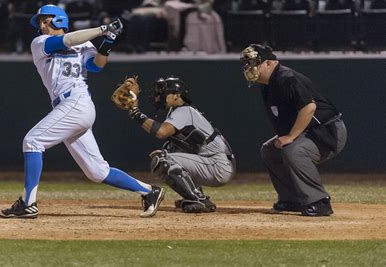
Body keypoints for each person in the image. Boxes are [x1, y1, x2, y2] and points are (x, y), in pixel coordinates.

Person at [0, 4, 165, 219]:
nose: (41, 25)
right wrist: (104, 29)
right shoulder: (39, 43)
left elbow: (97, 65)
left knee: (32, 142)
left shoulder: (85, 43)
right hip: (66, 108)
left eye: (45, 19)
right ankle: (149, 191)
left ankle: (27, 203)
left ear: (59, 19)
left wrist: (109, 41)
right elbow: (67, 41)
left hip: (76, 104)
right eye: (40, 22)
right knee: (97, 171)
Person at [239, 44, 347, 216]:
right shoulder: (269, 84)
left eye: (254, 63)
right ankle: (292, 199)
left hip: (328, 131)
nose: (249, 68)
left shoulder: (287, 78)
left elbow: (309, 108)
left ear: (268, 63)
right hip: (311, 131)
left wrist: (291, 136)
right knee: (270, 150)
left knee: (293, 151)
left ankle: (319, 201)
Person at [126, 76, 236, 213]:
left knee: (163, 160)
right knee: (169, 148)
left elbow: (161, 132)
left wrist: (135, 112)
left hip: (217, 165)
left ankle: (199, 199)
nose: (159, 96)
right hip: (215, 162)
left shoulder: (184, 111)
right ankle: (195, 194)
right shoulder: (181, 111)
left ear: (177, 96)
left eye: (164, 93)